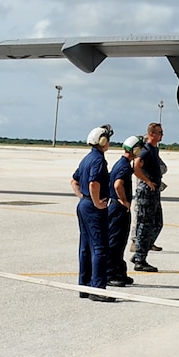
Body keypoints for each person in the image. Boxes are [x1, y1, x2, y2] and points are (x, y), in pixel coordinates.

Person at [72, 125, 116, 300]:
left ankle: (84, 286)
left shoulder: (87, 158)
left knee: (85, 247)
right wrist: (97, 202)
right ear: (102, 141)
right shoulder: (98, 160)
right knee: (99, 247)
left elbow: (74, 181)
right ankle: (98, 289)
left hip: (84, 205)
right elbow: (94, 184)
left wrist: (84, 198)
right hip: (93, 208)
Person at [130, 123, 166, 273]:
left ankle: (140, 252)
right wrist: (146, 181)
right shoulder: (146, 150)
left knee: (158, 223)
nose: (161, 135)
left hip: (154, 192)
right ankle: (140, 259)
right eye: (159, 133)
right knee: (145, 225)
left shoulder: (154, 149)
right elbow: (136, 166)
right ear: (151, 134)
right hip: (147, 193)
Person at [106, 136, 139, 286]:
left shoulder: (121, 163)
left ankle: (119, 272)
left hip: (117, 207)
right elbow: (118, 184)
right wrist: (124, 201)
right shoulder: (124, 166)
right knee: (115, 241)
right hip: (118, 209)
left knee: (120, 242)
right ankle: (110, 274)